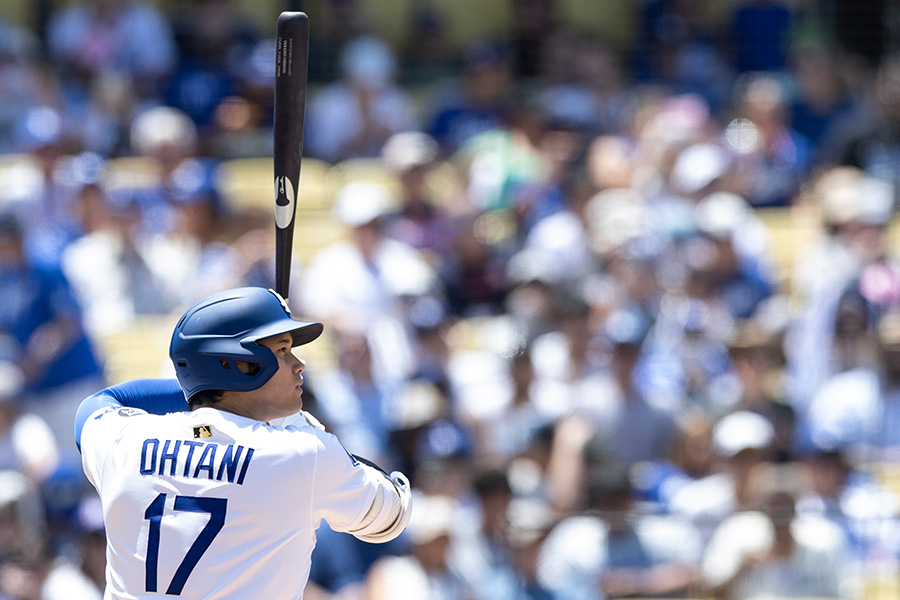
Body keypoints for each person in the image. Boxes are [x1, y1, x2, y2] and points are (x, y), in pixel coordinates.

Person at [73, 286, 413, 599]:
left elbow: (99, 403)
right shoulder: (301, 452)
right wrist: (301, 425)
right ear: (234, 363)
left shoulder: (125, 439)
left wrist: (203, 387)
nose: (299, 364)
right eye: (282, 351)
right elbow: (391, 516)